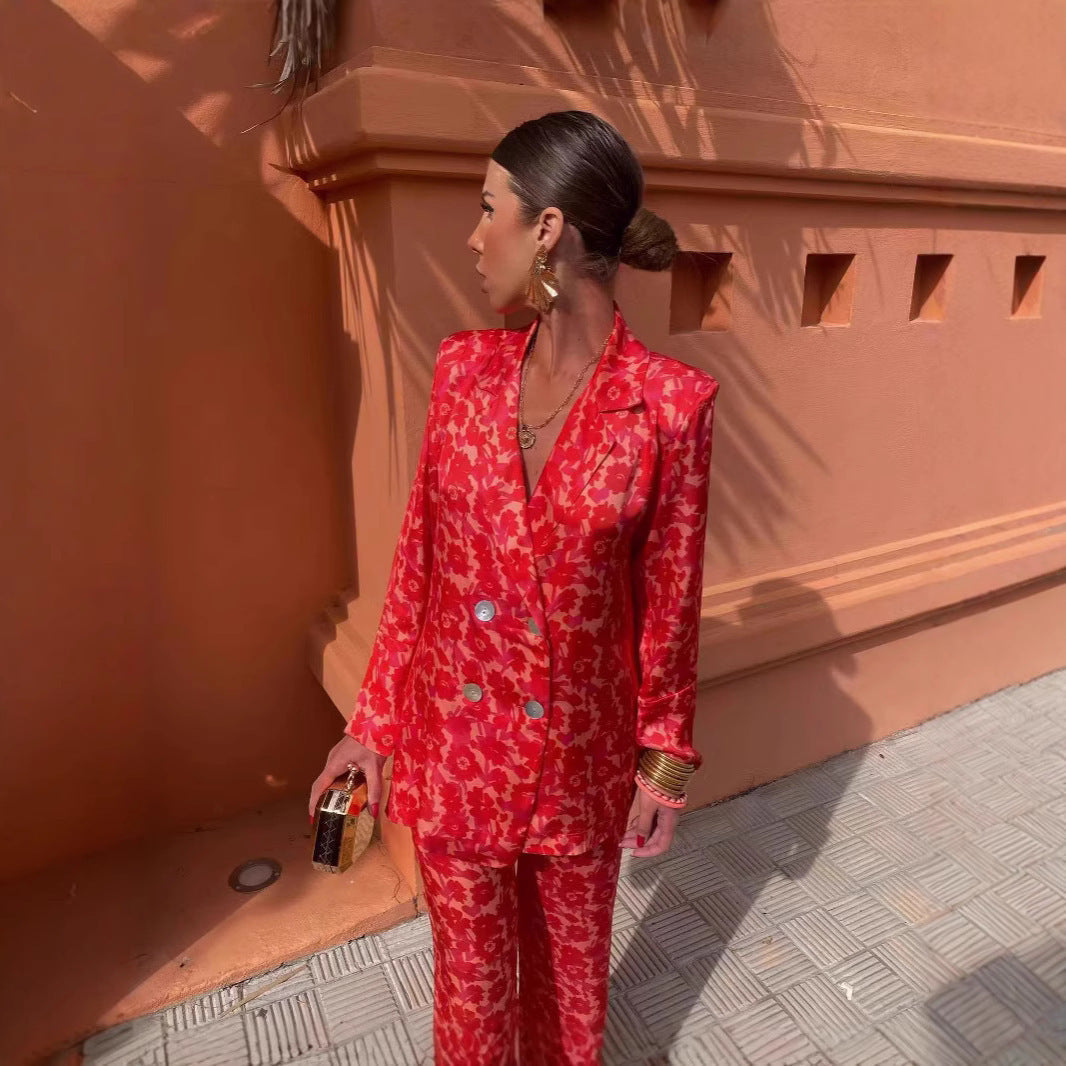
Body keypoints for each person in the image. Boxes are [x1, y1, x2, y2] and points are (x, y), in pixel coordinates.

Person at [310, 110, 719, 1066]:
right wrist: (373, 726)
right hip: (455, 754)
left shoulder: (670, 405)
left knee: (571, 1000)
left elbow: (670, 599)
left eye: (488, 208)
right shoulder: (464, 372)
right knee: (471, 998)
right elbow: (420, 561)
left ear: (547, 229)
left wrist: (663, 760)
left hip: (578, 765)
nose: (472, 234)